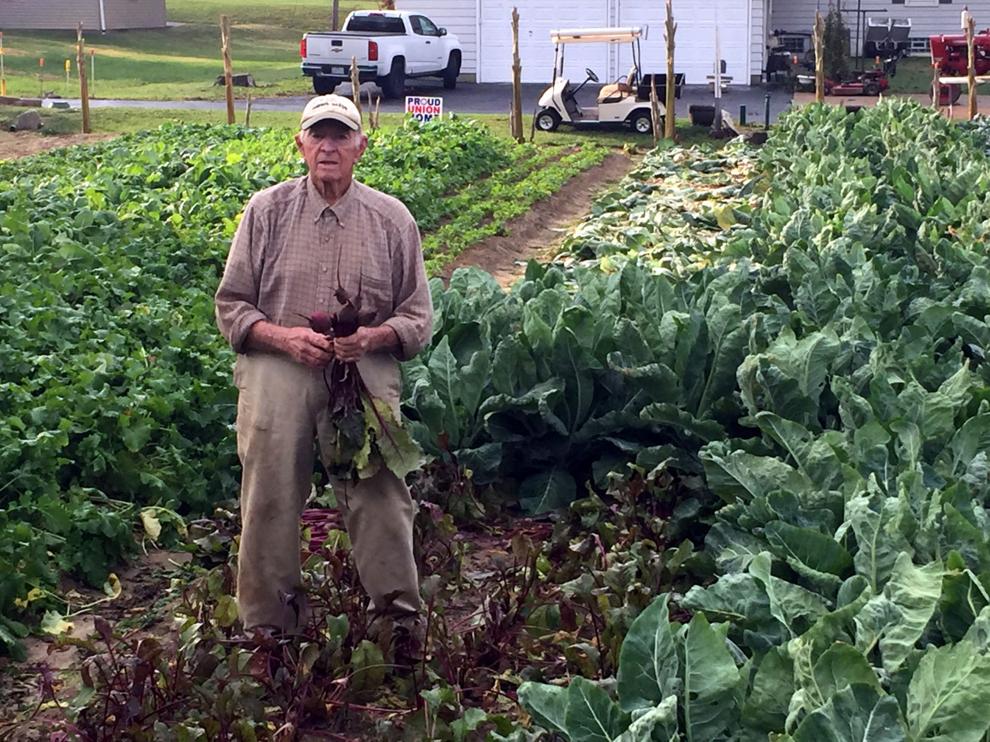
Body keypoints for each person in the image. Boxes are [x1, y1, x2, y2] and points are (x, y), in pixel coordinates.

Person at [215, 94, 433, 648]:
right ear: (301, 144)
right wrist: (285, 337)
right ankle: (268, 627)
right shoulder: (265, 211)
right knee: (269, 490)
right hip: (280, 363)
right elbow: (233, 307)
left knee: (381, 490)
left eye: (341, 136)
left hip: (363, 367)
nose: (329, 146)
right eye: (319, 136)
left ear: (362, 146)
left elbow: (417, 318)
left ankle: (398, 621)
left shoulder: (392, 219)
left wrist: (373, 337)